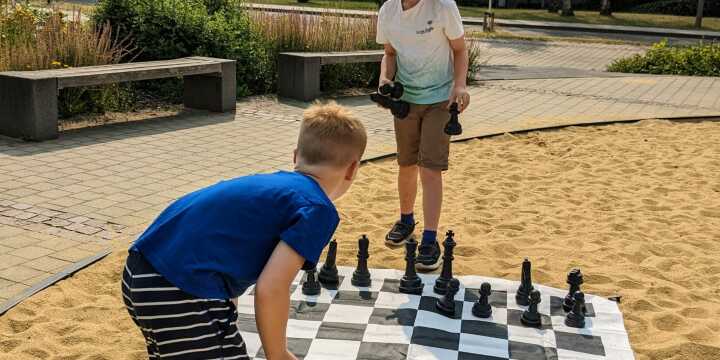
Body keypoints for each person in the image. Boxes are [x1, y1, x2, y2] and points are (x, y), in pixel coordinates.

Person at [121, 102, 367, 360]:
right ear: (352, 169)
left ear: (295, 156)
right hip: (179, 288)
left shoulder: (272, 189)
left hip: (142, 271)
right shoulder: (316, 207)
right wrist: (278, 354)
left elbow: (219, 248)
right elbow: (271, 288)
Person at [377, 0, 470, 271]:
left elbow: (460, 50)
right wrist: (385, 78)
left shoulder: (442, 6)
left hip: (440, 100)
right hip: (405, 100)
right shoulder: (388, 11)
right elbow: (390, 53)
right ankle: (406, 221)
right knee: (406, 165)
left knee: (429, 169)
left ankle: (430, 239)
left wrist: (460, 86)